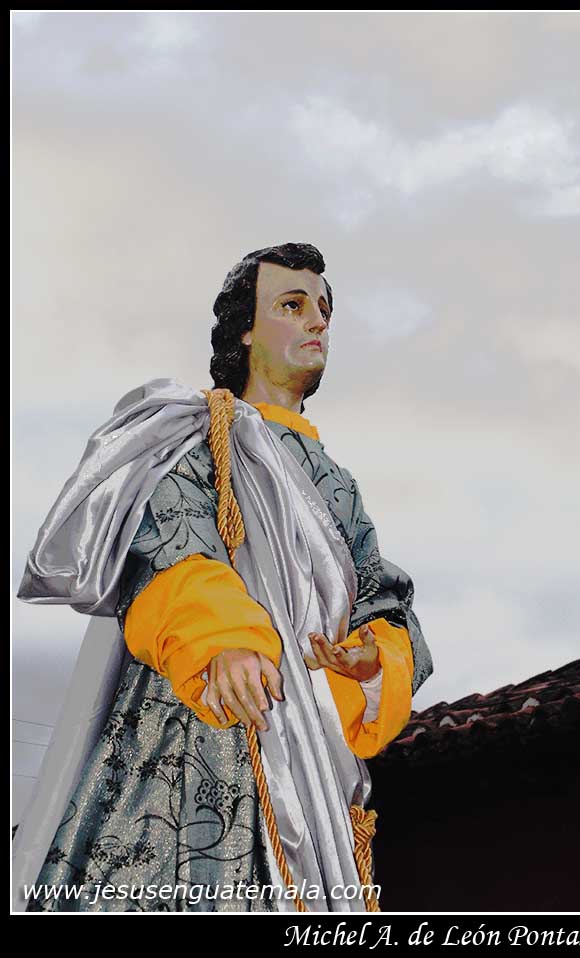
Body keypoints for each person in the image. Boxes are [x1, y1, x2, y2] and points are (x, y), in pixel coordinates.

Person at [15, 242, 433, 913]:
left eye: (323, 310)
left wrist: (369, 658)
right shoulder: (196, 434)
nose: (316, 322)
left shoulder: (337, 483)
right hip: (204, 717)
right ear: (243, 330)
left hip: (312, 750)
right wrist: (224, 641)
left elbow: (378, 592)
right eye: (292, 305)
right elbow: (171, 537)